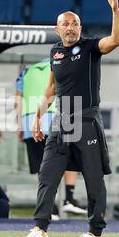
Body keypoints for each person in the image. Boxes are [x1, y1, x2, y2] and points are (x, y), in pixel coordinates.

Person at [17, 0, 119, 237]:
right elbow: (51, 90)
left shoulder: (90, 48)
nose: (71, 27)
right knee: (47, 174)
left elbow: (116, 40)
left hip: (86, 120)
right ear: (57, 29)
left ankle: (95, 235)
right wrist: (37, 117)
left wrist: (115, 11)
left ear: (80, 27)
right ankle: (40, 230)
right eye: (65, 24)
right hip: (60, 122)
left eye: (75, 23)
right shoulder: (55, 53)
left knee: (94, 178)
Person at [14, 60, 86, 220]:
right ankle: (69, 197)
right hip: (58, 116)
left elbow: (17, 101)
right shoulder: (62, 65)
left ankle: (50, 208)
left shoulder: (25, 73)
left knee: (43, 166)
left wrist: (19, 126)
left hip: (30, 122)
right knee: (70, 156)